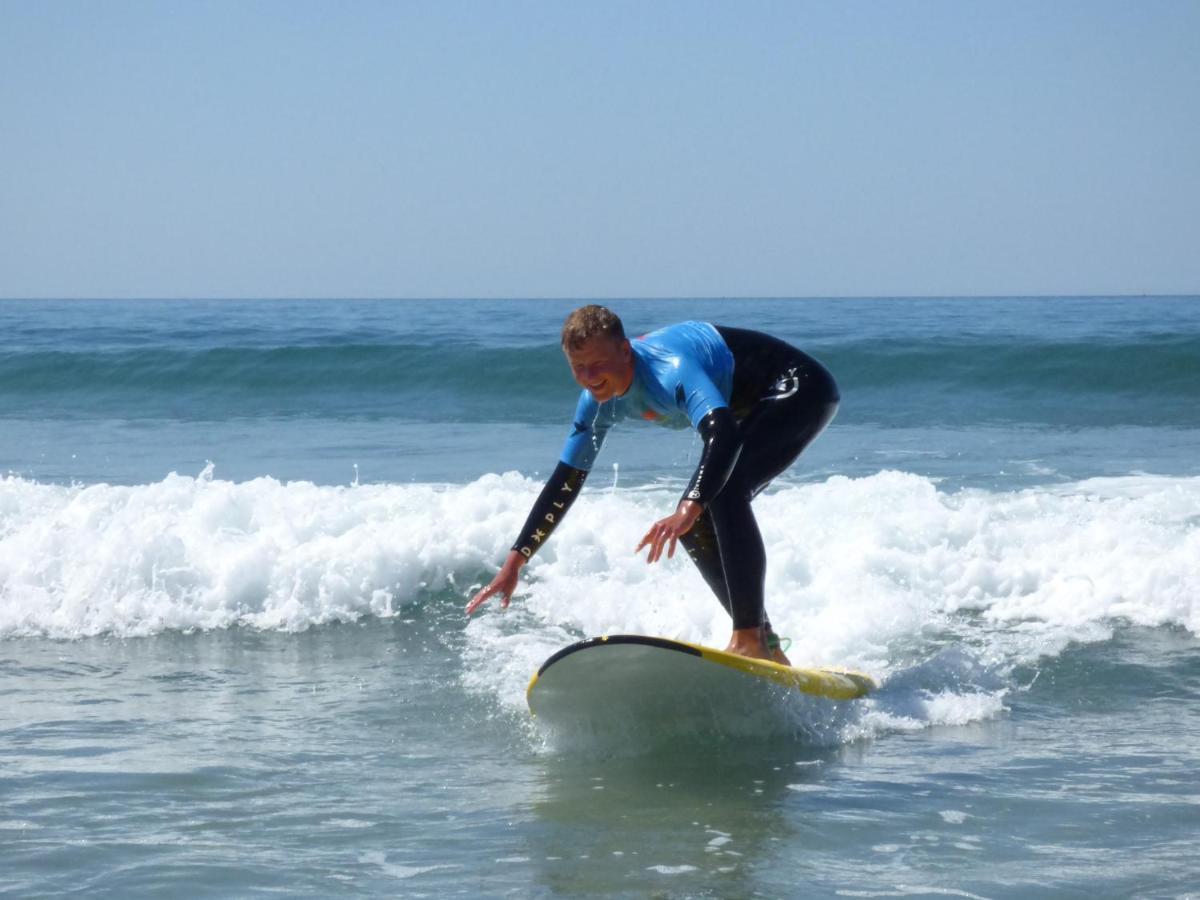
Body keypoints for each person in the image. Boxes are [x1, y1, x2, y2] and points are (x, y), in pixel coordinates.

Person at [465, 305, 839, 664]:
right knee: (700, 521)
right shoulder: (595, 402)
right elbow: (566, 480)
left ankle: (748, 639)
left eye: (598, 364)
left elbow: (722, 434)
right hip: (747, 405)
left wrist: (687, 507)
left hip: (798, 387)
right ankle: (765, 643)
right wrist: (516, 560)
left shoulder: (669, 370)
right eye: (578, 368)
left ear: (625, 350)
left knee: (718, 495)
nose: (590, 376)